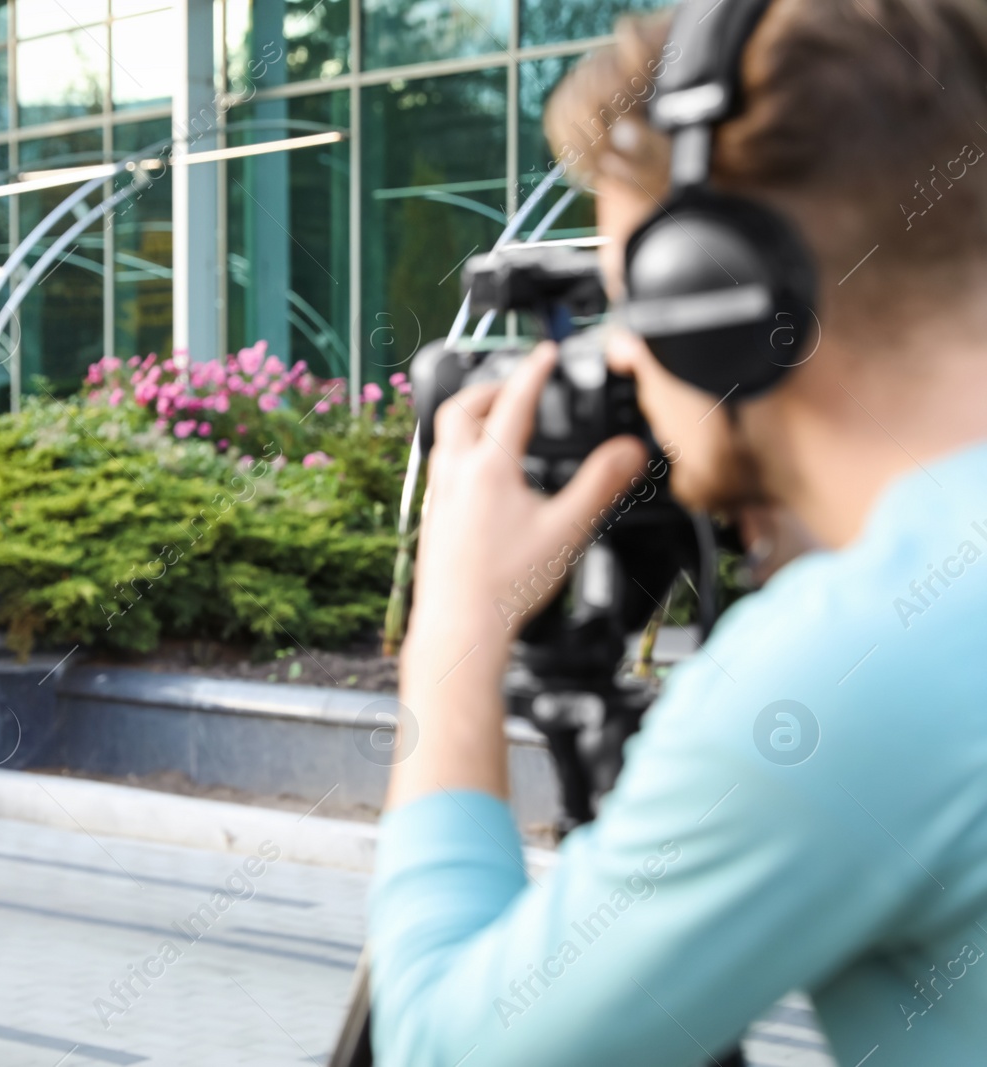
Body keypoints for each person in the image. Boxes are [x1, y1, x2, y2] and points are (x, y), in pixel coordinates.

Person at [370, 1, 987, 1064]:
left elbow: (444, 1048)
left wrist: (454, 630)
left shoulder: (843, 674)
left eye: (629, 306)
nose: (622, 364)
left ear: (720, 304)